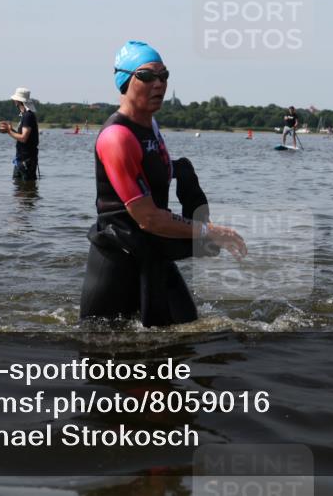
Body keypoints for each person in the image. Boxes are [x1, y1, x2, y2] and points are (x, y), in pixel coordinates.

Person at [82, 40, 247, 327]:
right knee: (103, 347)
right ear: (124, 81)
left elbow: (152, 172)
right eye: (146, 76)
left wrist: (185, 177)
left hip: (151, 251)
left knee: (189, 329)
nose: (158, 83)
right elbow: (148, 218)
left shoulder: (151, 126)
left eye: (164, 75)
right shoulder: (116, 138)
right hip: (118, 259)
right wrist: (209, 232)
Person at [0, 88, 39, 181]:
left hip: (27, 161)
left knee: (26, 188)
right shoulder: (24, 115)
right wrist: (11, 129)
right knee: (19, 187)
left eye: (15, 99)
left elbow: (23, 138)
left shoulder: (28, 116)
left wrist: (9, 131)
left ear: (18, 101)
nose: (14, 101)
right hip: (21, 160)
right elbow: (22, 136)